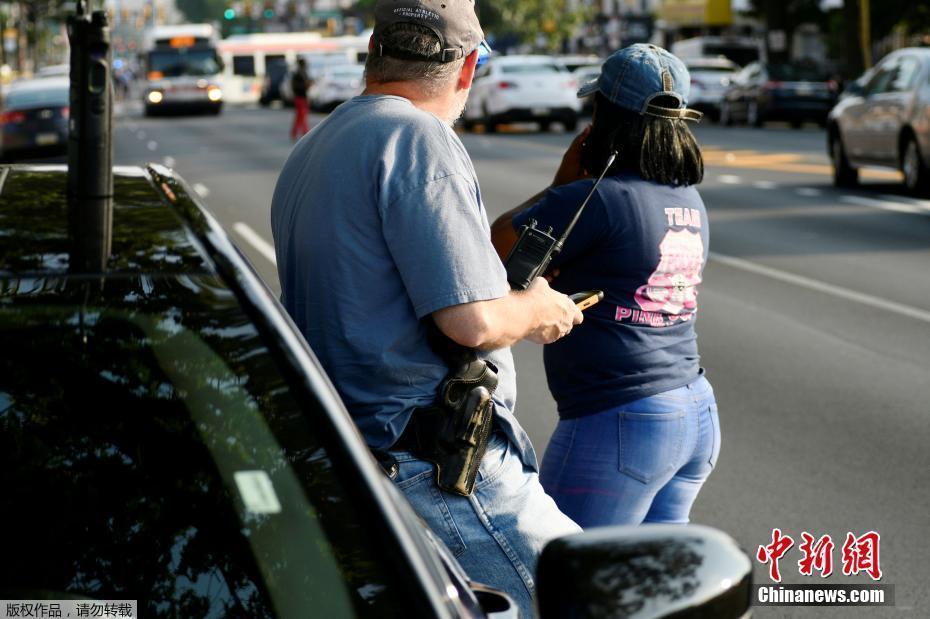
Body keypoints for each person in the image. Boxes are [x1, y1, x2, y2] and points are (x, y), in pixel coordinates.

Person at [270, 1, 583, 615]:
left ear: (373, 56)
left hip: (361, 461)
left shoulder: (313, 147)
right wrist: (537, 307)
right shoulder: (417, 136)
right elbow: (472, 320)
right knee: (586, 597)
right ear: (468, 69)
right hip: (436, 468)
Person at [491, 44, 720, 529]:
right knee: (646, 590)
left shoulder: (593, 201)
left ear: (604, 118)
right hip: (694, 412)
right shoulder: (690, 201)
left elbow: (495, 249)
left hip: (621, 420)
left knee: (562, 578)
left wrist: (563, 182)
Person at [289, 57, 311, 140]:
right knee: (302, 116)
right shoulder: (299, 73)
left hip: (301, 97)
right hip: (300, 97)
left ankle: (294, 133)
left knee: (299, 117)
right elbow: (296, 86)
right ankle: (306, 133)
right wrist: (306, 85)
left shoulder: (301, 73)